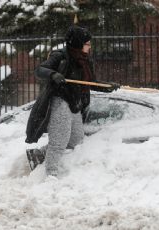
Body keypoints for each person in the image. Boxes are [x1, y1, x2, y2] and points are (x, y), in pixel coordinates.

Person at [25, 25, 119, 176]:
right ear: (77, 43)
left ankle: (38, 154)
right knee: (59, 140)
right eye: (87, 43)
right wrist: (53, 74)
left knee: (75, 140)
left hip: (75, 103)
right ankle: (51, 175)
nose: (89, 46)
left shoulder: (85, 60)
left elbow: (91, 82)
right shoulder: (60, 56)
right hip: (60, 100)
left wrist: (107, 86)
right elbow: (39, 70)